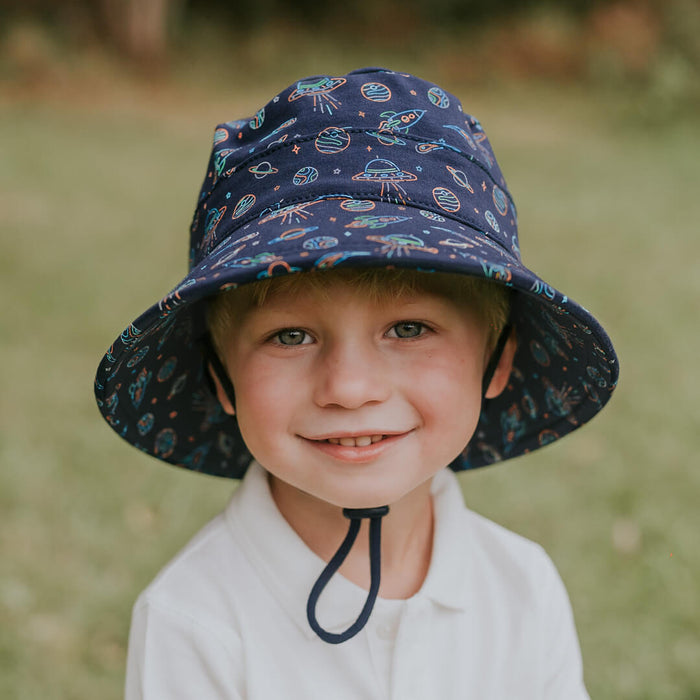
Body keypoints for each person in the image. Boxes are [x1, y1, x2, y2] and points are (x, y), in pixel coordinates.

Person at [95, 67, 619, 699]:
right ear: (220, 378)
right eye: (291, 336)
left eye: (409, 329)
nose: (349, 388)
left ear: (497, 361)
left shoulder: (521, 588)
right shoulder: (195, 619)